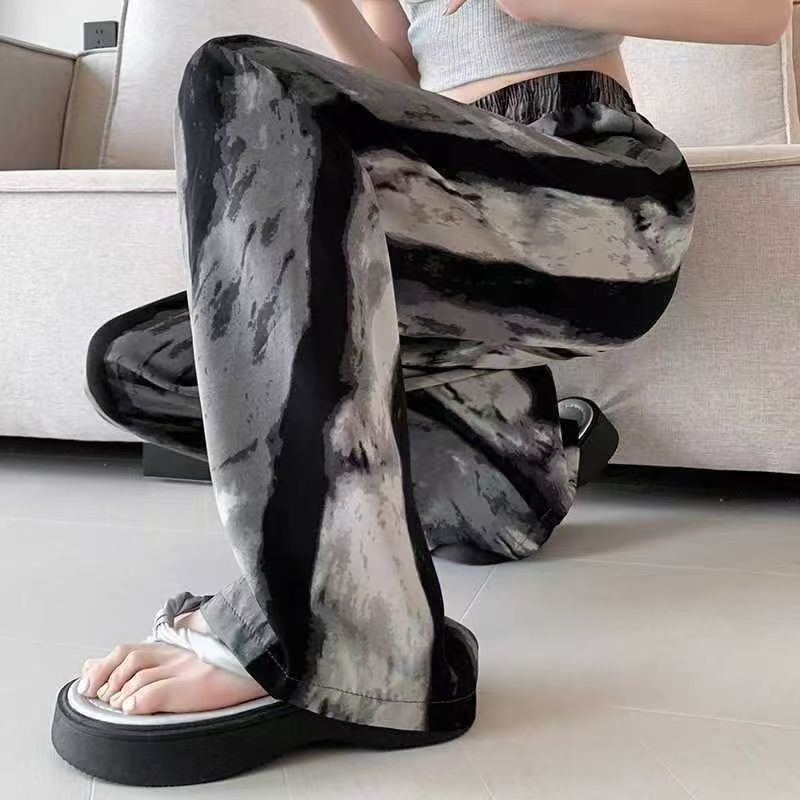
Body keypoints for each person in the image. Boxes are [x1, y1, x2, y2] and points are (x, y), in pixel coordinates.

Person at [60, 0, 789, 779]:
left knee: (239, 75)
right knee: (137, 363)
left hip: (594, 190)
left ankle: (344, 633)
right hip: (437, 198)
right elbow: (400, 77)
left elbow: (761, 16)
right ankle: (503, 474)